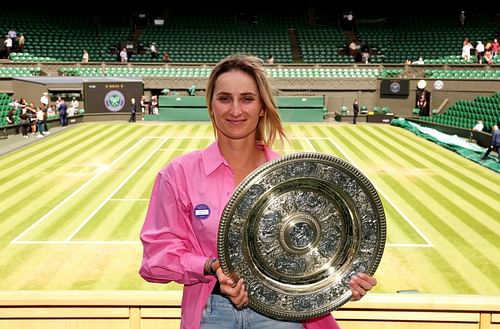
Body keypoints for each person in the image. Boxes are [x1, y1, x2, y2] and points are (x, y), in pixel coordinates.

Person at [139, 54, 377, 329]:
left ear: (262, 106)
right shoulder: (178, 174)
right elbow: (155, 258)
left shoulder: (294, 176)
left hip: (283, 316)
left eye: (247, 99)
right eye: (225, 98)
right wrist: (210, 266)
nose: (235, 110)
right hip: (212, 313)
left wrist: (343, 280)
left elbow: (318, 247)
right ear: (211, 106)